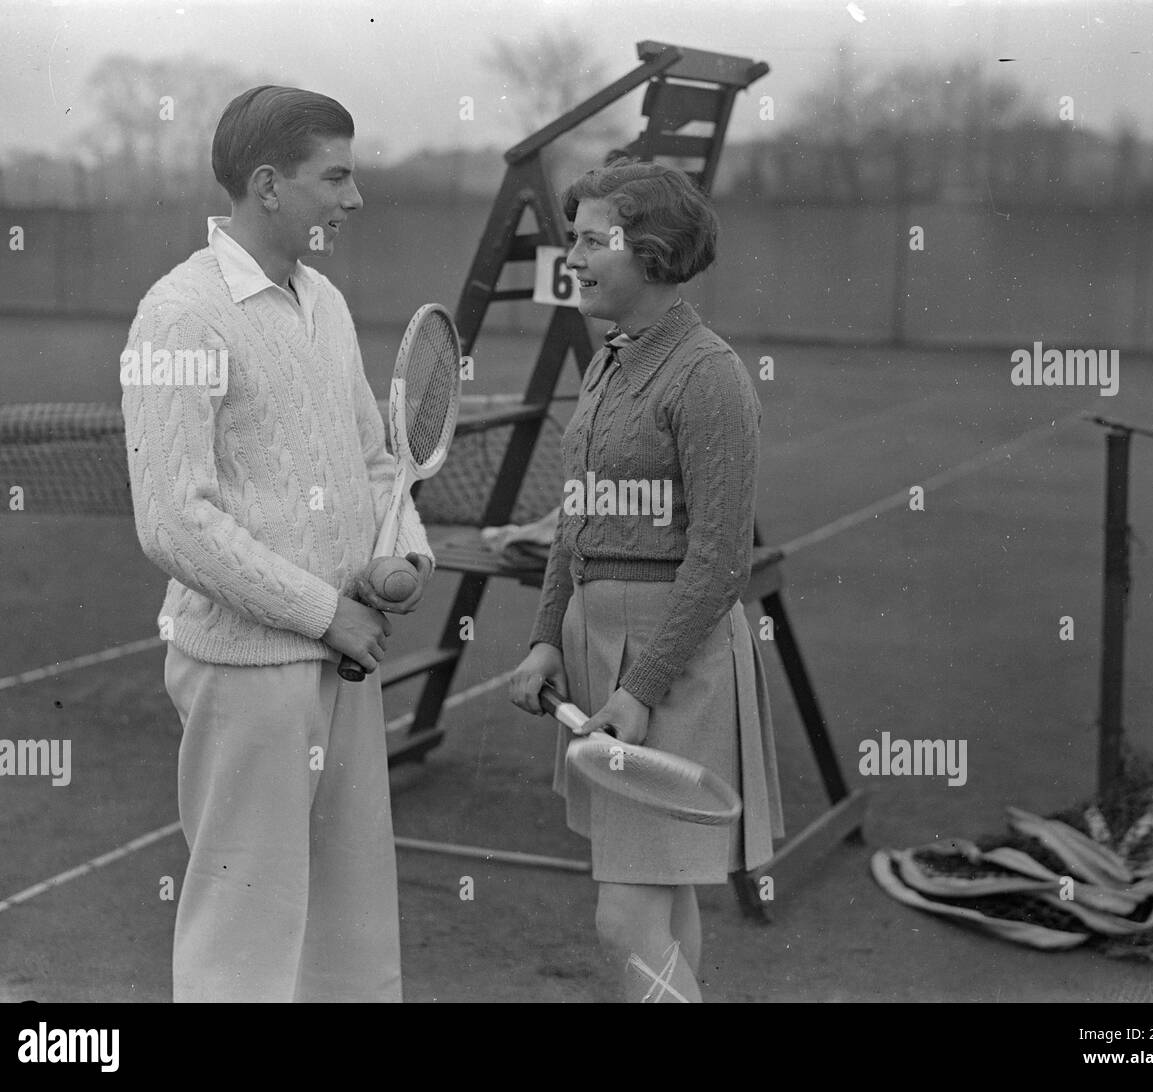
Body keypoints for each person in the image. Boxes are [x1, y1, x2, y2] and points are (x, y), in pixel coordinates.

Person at [121, 85, 433, 1002]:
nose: (354, 197)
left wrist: (401, 555)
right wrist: (324, 612)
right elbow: (173, 519)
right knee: (244, 936)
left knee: (350, 917)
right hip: (249, 670)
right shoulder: (177, 316)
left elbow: (379, 463)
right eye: (335, 175)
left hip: (344, 657)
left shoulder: (324, 300)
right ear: (267, 184)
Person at [509, 159, 783, 1003]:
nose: (575, 257)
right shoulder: (609, 362)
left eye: (595, 240)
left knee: (623, 920)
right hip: (604, 651)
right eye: (573, 237)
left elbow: (719, 560)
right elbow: (576, 521)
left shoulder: (708, 376)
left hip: (674, 664)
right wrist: (547, 635)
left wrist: (644, 684)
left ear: (654, 253)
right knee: (661, 896)